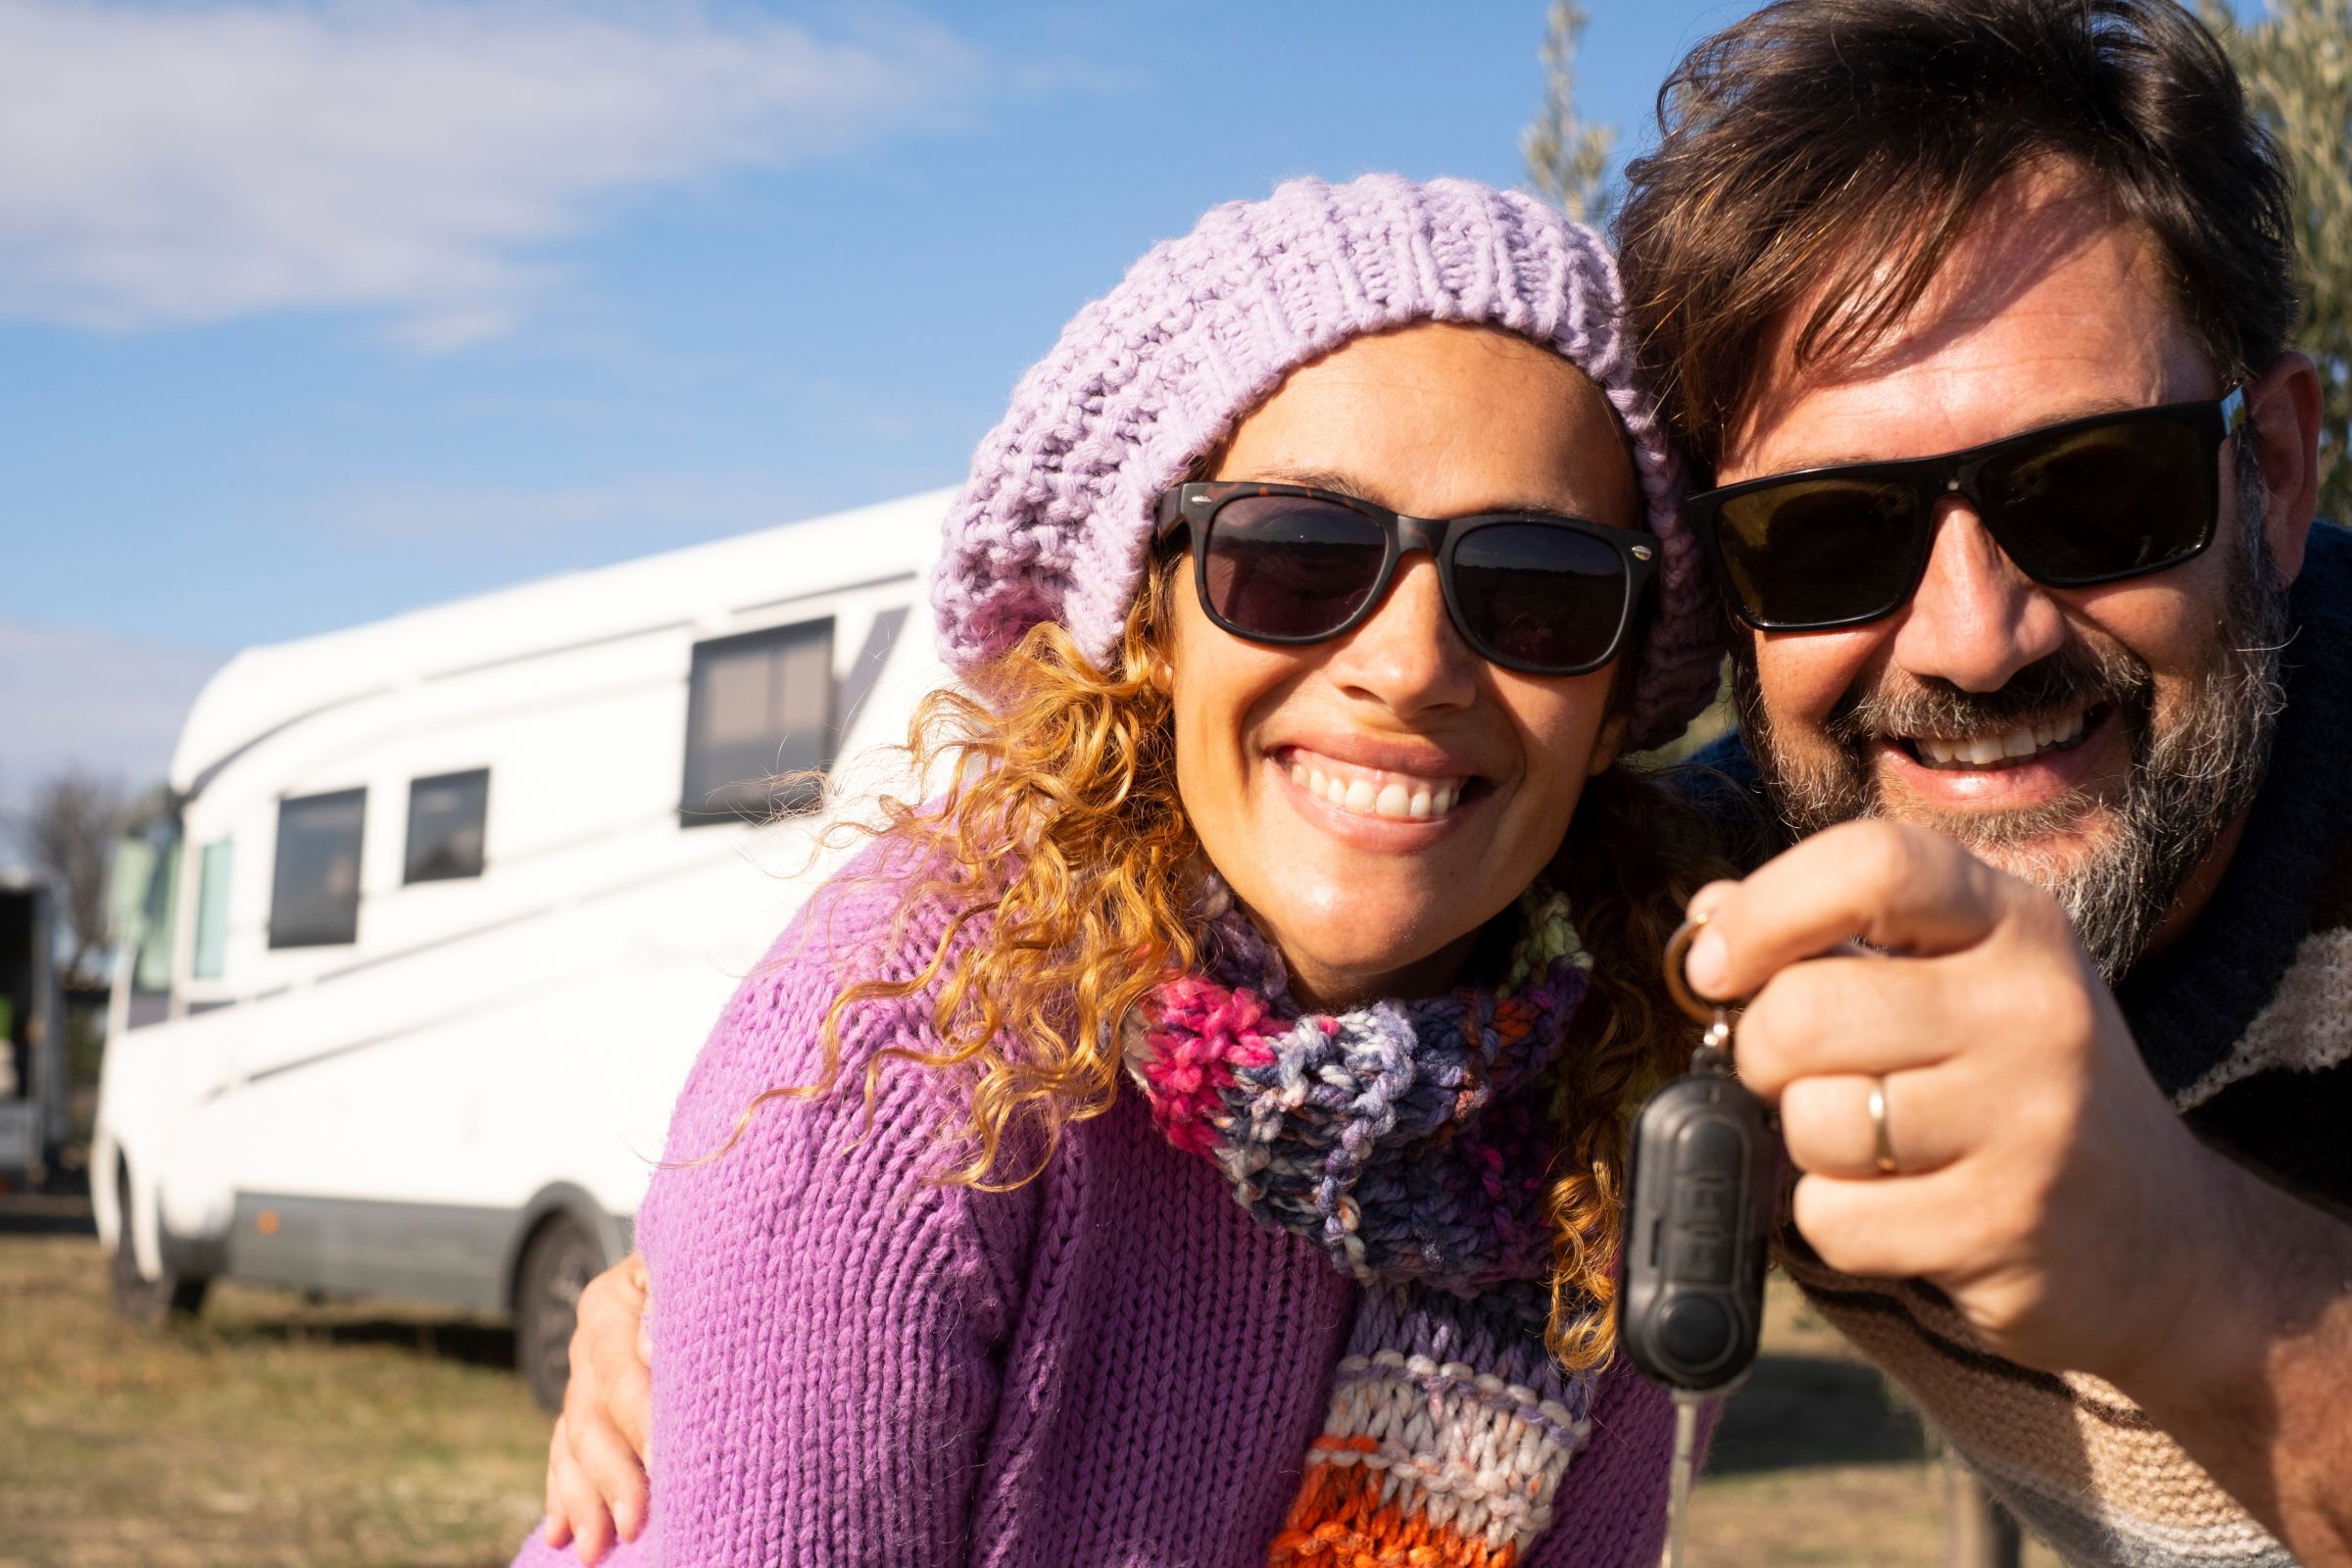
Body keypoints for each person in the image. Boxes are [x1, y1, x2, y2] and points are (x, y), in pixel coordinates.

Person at [514, 173, 1731, 1567]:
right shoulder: (910, 1052)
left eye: (1538, 590)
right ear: (1149, 620)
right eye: (1297, 557)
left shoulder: (1609, 1143)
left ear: (1621, 686)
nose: (1409, 667)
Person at [1610, 2, 2352, 1565]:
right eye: (1824, 537)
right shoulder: (1691, 929)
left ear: (2274, 477)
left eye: (2097, 490)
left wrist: (2194, 1281)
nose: (1975, 641)